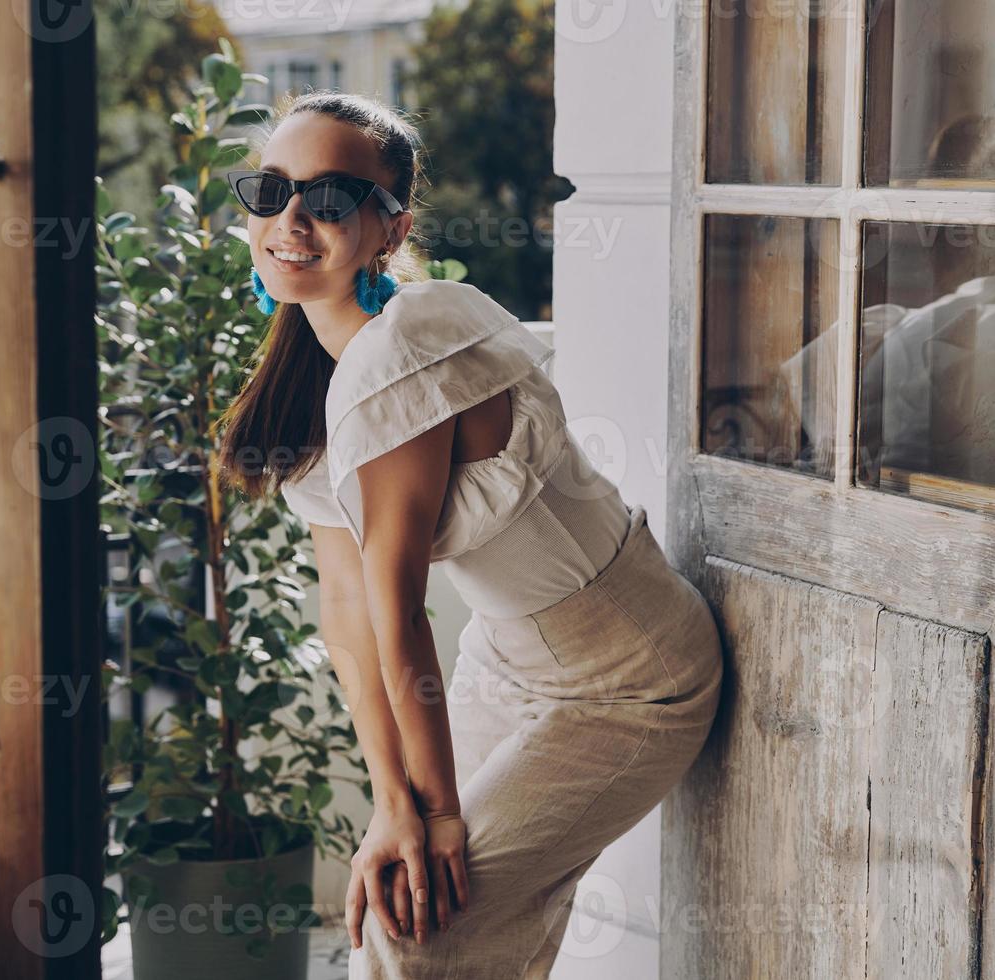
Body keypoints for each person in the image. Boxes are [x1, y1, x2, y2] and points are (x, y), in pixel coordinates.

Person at [214, 91, 723, 979]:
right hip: (513, 660)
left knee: (420, 928)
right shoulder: (313, 378)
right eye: (271, 190)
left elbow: (401, 613)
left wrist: (439, 812)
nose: (293, 219)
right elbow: (347, 615)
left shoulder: (408, 347)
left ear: (390, 226)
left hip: (632, 677)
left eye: (331, 200)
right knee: (399, 904)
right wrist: (392, 804)